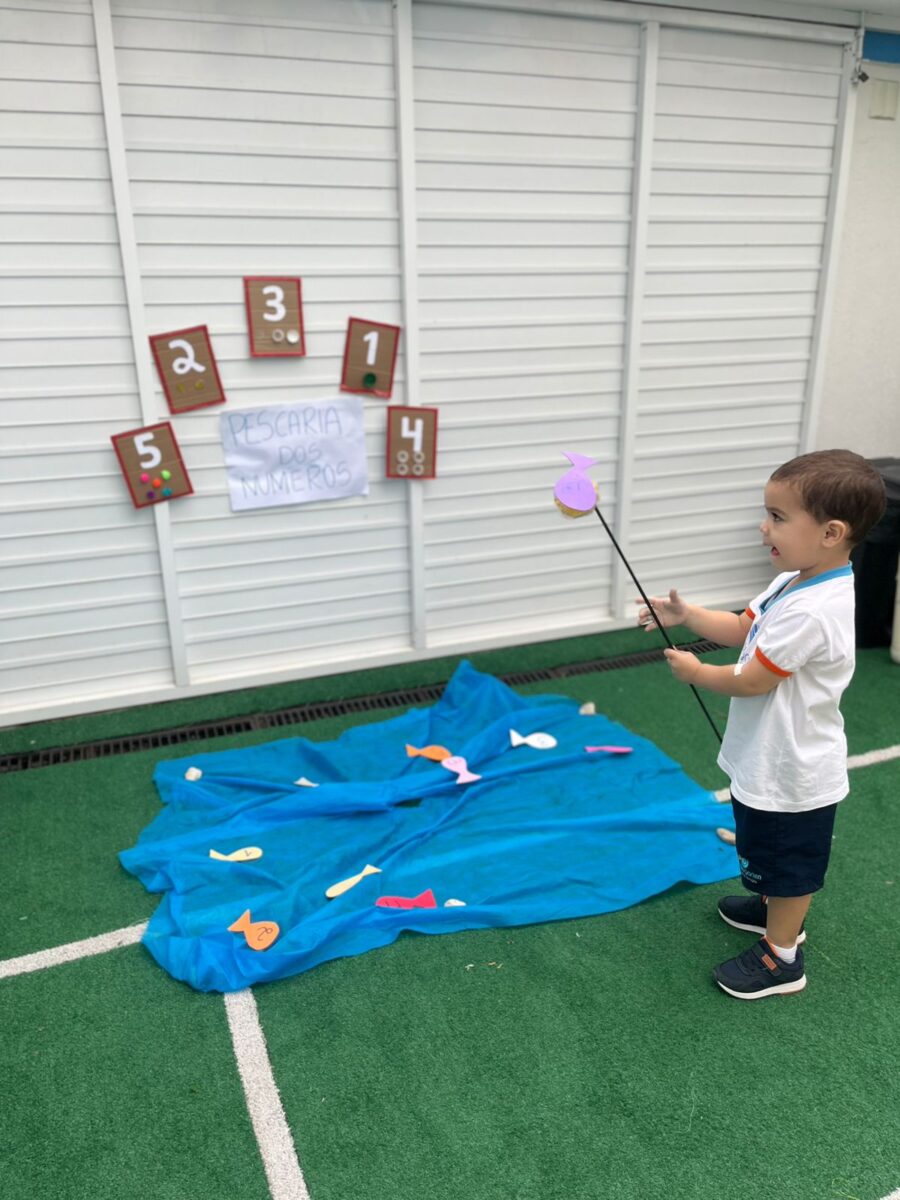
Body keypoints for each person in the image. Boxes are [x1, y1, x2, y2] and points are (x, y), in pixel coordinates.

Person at [637, 449, 886, 1000]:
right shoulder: (793, 582)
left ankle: (782, 957)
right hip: (769, 757)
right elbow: (741, 627)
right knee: (768, 850)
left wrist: (697, 672)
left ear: (831, 533)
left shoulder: (813, 610)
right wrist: (686, 615)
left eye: (777, 516)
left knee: (790, 864)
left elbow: (753, 680)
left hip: (793, 771)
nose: (763, 526)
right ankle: (773, 909)